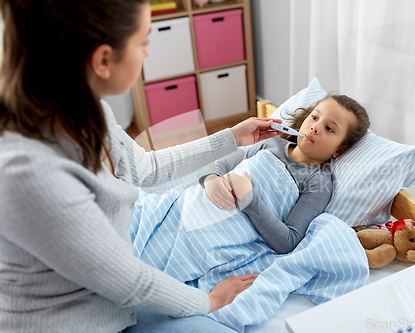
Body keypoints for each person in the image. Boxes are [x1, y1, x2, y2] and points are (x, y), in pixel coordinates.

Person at [0, 1, 282, 332]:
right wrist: (211, 301)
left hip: (113, 304)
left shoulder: (91, 111)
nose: (147, 52)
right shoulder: (29, 171)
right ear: (103, 59)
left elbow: (146, 170)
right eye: (143, 41)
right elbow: (130, 283)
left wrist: (230, 138)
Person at [202, 94, 370, 254]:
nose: (315, 127)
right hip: (200, 206)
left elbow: (287, 241)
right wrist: (210, 178)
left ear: (339, 150)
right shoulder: (271, 143)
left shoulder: (318, 181)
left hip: (219, 236)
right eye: (315, 117)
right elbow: (221, 162)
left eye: (329, 128)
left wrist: (248, 198)